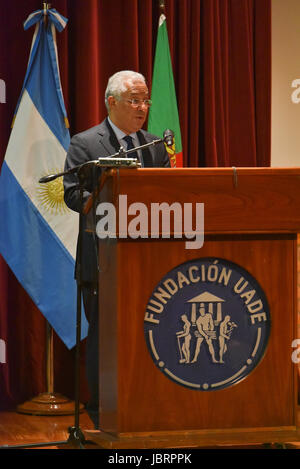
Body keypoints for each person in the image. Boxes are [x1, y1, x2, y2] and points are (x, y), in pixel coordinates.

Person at [63, 70, 170, 429]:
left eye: (145, 101)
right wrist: (98, 199)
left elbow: (169, 197)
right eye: (134, 100)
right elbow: (72, 193)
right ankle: (101, 410)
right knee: (104, 334)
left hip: (148, 261)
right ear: (112, 102)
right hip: (101, 258)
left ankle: (146, 403)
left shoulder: (155, 145)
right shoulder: (86, 143)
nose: (142, 107)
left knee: (152, 331)